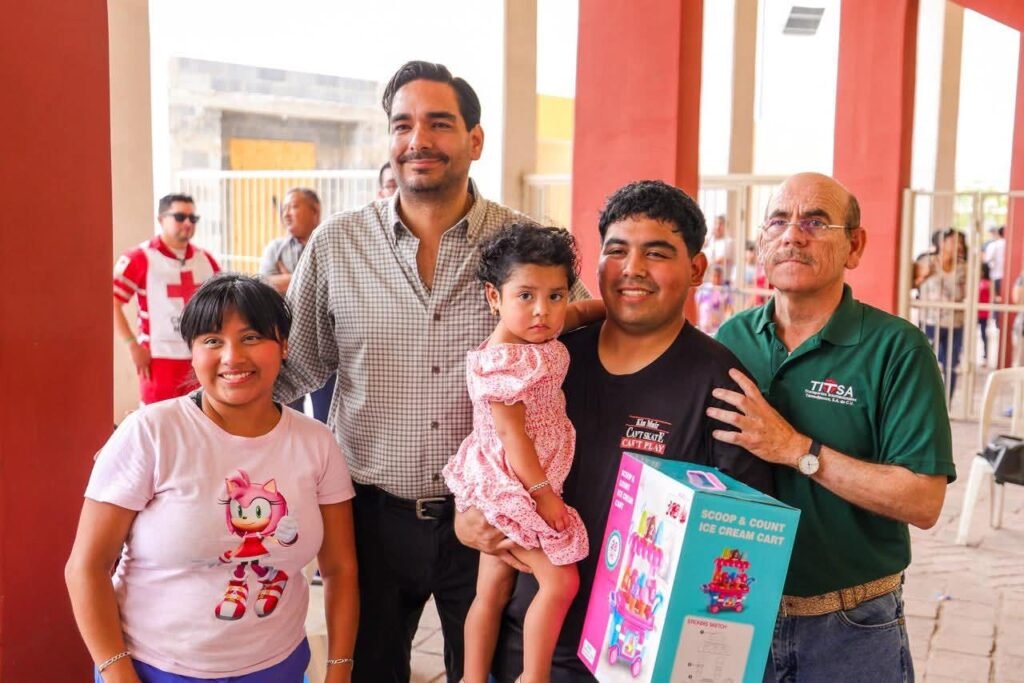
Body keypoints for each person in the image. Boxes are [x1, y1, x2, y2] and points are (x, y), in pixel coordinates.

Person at [274, 61, 592, 683]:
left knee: (483, 670)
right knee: (369, 671)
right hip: (368, 518)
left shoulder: (525, 247)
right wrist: (189, 434)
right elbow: (290, 374)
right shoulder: (337, 244)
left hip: (490, 522)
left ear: (474, 140)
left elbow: (580, 342)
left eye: (439, 123)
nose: (418, 140)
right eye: (403, 125)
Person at [456, 180, 775, 682]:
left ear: (696, 270)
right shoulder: (551, 359)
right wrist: (467, 523)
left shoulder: (720, 385)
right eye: (617, 251)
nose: (632, 269)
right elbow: (488, 452)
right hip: (526, 653)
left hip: (637, 662)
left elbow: (738, 545)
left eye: (657, 253)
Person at [710, 172, 956, 682]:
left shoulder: (896, 349)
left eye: (815, 222)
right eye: (778, 221)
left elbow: (923, 502)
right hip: (738, 612)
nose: (792, 235)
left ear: (855, 245)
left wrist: (797, 448)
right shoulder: (732, 338)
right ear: (761, 242)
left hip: (851, 624)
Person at [66, 274, 358, 683]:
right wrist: (117, 673)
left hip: (278, 667)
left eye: (252, 337)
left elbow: (340, 569)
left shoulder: (316, 442)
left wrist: (339, 670)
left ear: (285, 345)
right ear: (192, 352)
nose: (232, 357)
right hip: (155, 669)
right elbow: (86, 566)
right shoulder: (152, 433)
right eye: (212, 340)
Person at [442, 224, 598, 682]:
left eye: (555, 295)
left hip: (521, 474)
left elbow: (583, 311)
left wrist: (620, 310)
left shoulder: (541, 330)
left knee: (491, 588)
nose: (543, 311)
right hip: (515, 481)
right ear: (494, 297)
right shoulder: (503, 359)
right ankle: (534, 675)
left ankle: (473, 677)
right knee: (560, 580)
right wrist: (543, 494)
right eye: (526, 295)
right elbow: (514, 438)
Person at [113, 193, 220, 404]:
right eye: (180, 217)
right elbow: (112, 302)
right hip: (159, 361)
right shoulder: (139, 257)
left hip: (200, 357)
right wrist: (132, 345)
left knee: (200, 422)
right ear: (161, 219)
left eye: (193, 218)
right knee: (157, 423)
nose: (188, 223)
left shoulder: (205, 260)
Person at [259, 187, 336, 422]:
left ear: (315, 211)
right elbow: (264, 285)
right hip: (286, 345)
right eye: (284, 208)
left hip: (328, 346)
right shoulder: (276, 248)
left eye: (293, 206)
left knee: (327, 415)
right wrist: (306, 279)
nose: (286, 213)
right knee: (289, 415)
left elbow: (336, 287)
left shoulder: (331, 244)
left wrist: (288, 279)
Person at [918, 227, 967, 401]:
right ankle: (923, 400)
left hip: (955, 323)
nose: (957, 245)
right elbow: (913, 283)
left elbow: (969, 294)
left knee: (951, 365)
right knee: (924, 362)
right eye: (953, 241)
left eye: (959, 241)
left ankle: (946, 403)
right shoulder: (926, 261)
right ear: (941, 242)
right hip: (930, 321)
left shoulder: (963, 267)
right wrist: (922, 276)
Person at [696, 264, 734, 335]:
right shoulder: (704, 288)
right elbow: (697, 305)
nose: (716, 278)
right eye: (715, 276)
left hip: (717, 326)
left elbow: (729, 308)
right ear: (711, 276)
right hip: (704, 324)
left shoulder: (725, 290)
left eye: (719, 276)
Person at [706, 213, 735, 284]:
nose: (718, 227)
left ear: (725, 226)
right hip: (710, 280)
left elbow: (722, 260)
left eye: (720, 224)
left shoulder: (729, 242)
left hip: (723, 282)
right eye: (716, 224)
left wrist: (708, 264)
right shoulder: (711, 242)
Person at [979, 261, 993, 364]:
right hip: (976, 312)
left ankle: (985, 356)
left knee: (984, 334)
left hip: (984, 313)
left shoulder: (989, 283)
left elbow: (992, 297)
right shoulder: (976, 282)